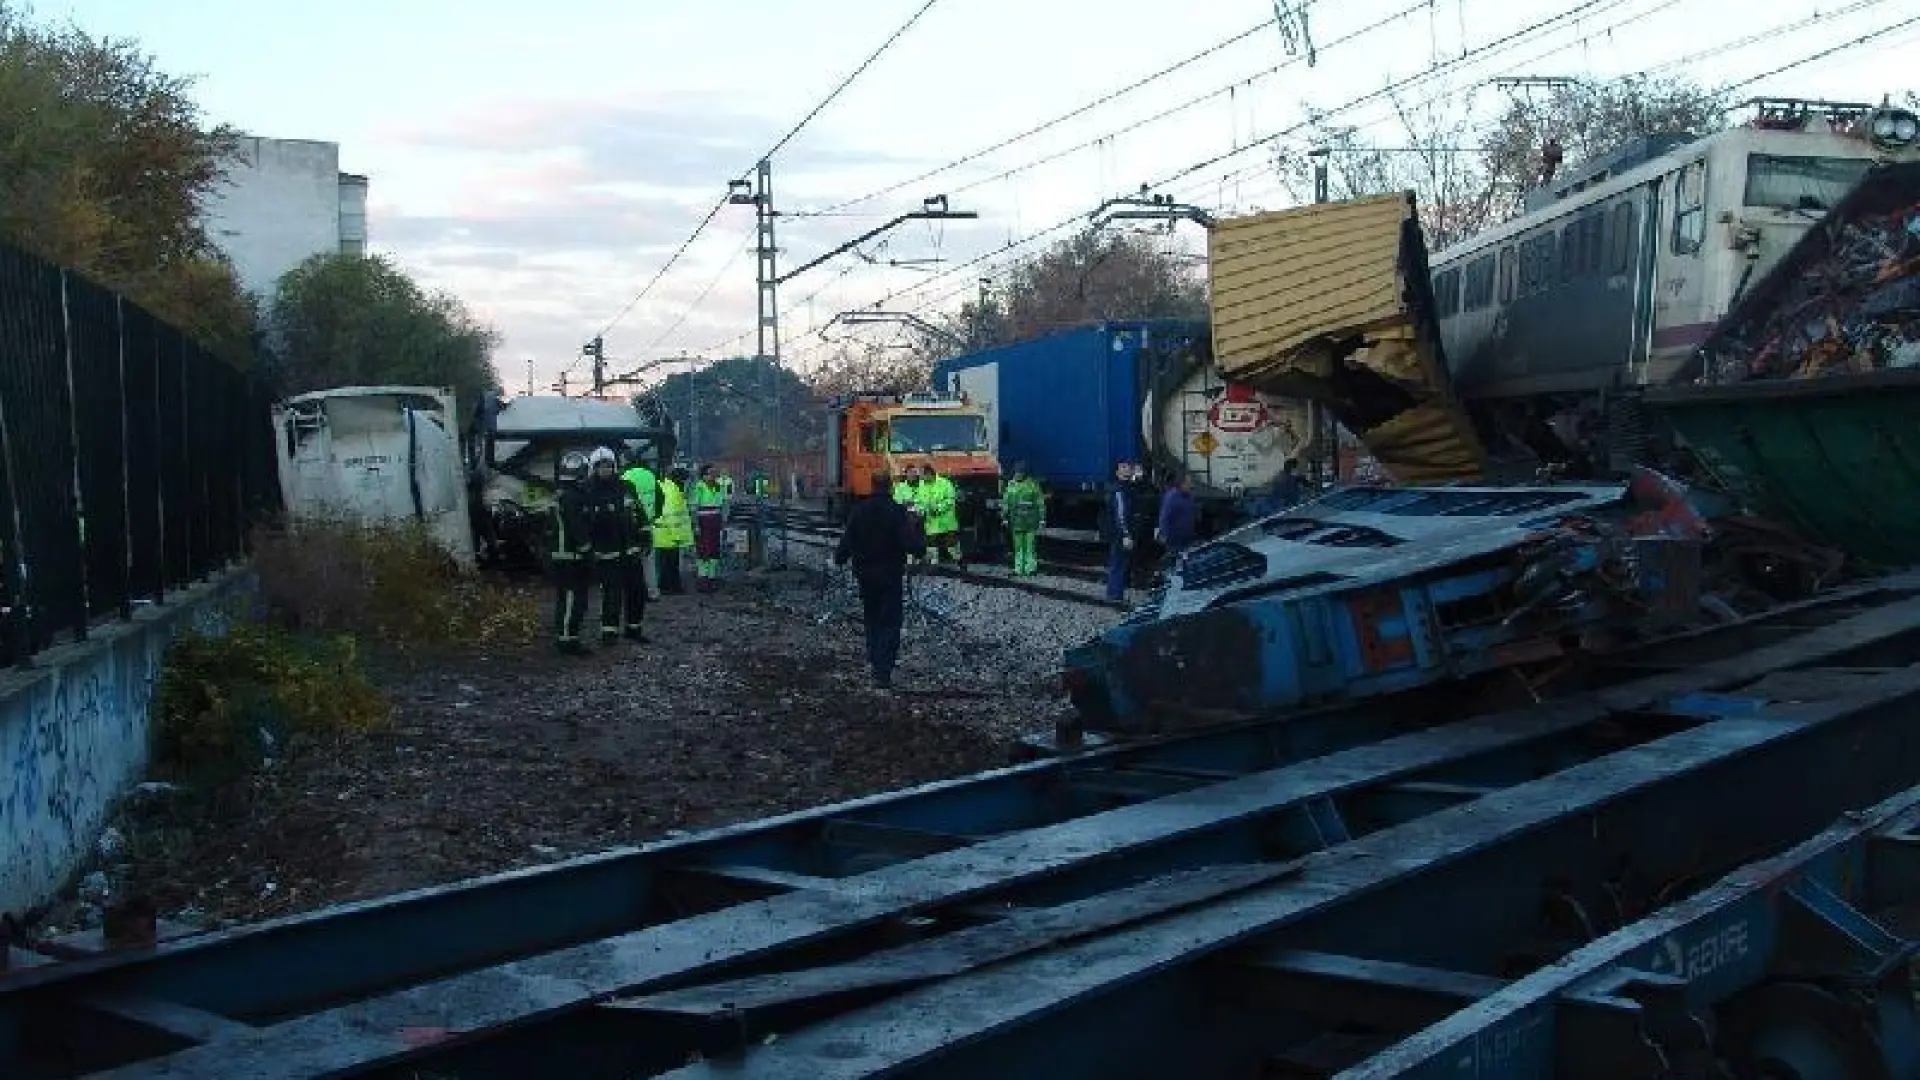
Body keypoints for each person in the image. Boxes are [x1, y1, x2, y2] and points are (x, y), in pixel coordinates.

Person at [834, 472, 915, 690]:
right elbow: (911, 543)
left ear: (872, 485)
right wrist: (919, 543)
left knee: (871, 619)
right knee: (890, 621)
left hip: (866, 575)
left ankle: (875, 659)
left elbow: (847, 539)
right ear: (890, 487)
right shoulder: (897, 512)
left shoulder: (859, 510)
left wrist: (840, 558)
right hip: (890, 575)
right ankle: (883, 670)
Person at [583, 447, 645, 643]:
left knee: (638, 591)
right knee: (612, 594)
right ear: (594, 468)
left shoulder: (626, 487)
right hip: (606, 553)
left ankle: (634, 629)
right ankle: (609, 633)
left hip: (631, 550)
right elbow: (584, 523)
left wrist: (645, 535)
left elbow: (639, 511)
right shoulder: (588, 491)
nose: (606, 470)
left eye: (609, 466)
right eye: (601, 466)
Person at [547, 451, 593, 655]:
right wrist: (588, 552)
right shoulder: (573, 497)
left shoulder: (561, 494)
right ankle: (567, 641)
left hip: (561, 556)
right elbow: (577, 528)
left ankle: (568, 637)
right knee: (572, 600)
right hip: (570, 558)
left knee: (568, 599)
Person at [620, 450, 662, 601]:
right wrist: (655, 515)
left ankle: (632, 592)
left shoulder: (624, 476)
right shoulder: (650, 475)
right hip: (648, 522)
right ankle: (652, 592)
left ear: (625, 461)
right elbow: (660, 498)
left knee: (629, 559)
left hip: (630, 523)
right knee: (648, 561)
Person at [1097, 460, 1137, 603]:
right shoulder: (1119, 490)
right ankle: (1115, 596)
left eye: (1128, 467)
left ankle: (1115, 594)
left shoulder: (1124, 488)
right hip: (1119, 535)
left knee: (1120, 563)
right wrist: (1126, 535)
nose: (1127, 469)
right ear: (1117, 472)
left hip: (1119, 533)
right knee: (1118, 564)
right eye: (1123, 467)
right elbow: (1120, 515)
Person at [1002, 462, 1045, 576]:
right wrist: (1004, 517)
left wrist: (1042, 519)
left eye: (1020, 472)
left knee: (1030, 546)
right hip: (1016, 522)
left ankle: (1030, 568)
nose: (1018, 474)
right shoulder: (1011, 485)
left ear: (1024, 474)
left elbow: (1040, 503)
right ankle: (1018, 569)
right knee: (1018, 547)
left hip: (1030, 522)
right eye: (1016, 472)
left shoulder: (1032, 485)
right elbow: (1006, 503)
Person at [691, 464, 727, 592]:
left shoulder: (718, 486)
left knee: (714, 548)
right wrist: (696, 525)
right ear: (703, 475)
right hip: (703, 520)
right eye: (709, 473)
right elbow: (694, 507)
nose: (712, 475)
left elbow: (723, 504)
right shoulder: (699, 487)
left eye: (713, 473)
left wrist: (723, 521)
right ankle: (703, 578)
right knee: (703, 549)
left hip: (715, 519)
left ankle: (712, 577)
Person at [916, 464, 962, 566]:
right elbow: (918, 502)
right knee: (931, 548)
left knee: (953, 547)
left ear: (929, 474)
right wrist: (921, 510)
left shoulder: (945, 483)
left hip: (947, 524)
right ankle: (933, 567)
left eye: (922, 475)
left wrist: (938, 509)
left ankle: (961, 565)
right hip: (931, 524)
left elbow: (951, 499)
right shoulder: (921, 485)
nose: (921, 478)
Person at [655, 467, 691, 594]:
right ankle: (671, 587)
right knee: (670, 564)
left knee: (666, 563)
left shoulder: (667, 487)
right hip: (669, 534)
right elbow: (671, 515)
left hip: (663, 533)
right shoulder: (673, 492)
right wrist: (678, 536)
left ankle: (668, 587)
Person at [1155, 469, 1199, 560]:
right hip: (1174, 540)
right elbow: (1164, 518)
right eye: (1189, 483)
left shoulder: (1190, 496)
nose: (1191, 485)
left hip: (1187, 538)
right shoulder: (1171, 497)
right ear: (1181, 484)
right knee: (1175, 560)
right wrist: (1163, 534)